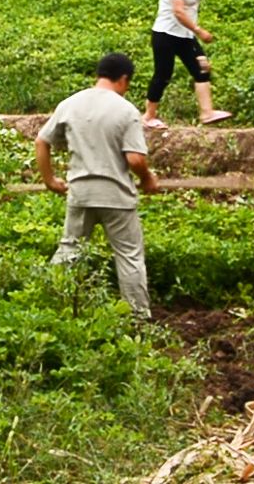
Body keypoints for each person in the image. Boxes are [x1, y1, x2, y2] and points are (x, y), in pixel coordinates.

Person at [35, 52, 162, 319]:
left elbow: (42, 141)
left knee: (70, 249)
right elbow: (135, 158)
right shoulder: (125, 110)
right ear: (124, 79)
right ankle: (138, 317)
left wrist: (49, 180)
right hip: (116, 196)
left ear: (99, 74)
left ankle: (48, 307)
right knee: (128, 255)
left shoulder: (70, 104)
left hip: (80, 193)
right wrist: (147, 179)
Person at [143, 0, 232, 129]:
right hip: (166, 35)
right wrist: (199, 31)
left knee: (202, 68)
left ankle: (207, 113)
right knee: (163, 74)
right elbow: (178, 11)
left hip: (185, 36)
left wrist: (193, 33)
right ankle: (149, 117)